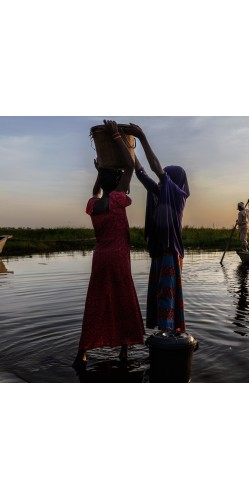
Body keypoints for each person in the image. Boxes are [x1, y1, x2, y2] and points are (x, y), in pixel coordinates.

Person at [73, 120, 145, 370]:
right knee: (123, 300)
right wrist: (116, 136)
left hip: (100, 258)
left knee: (96, 302)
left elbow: (97, 189)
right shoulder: (117, 199)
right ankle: (124, 350)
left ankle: (82, 352)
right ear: (115, 184)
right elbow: (129, 166)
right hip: (117, 258)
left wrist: (99, 170)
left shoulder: (94, 205)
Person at [127, 123, 190, 333]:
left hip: (171, 253)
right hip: (160, 251)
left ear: (174, 181)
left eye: (167, 177)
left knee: (167, 296)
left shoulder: (178, 195)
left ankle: (169, 335)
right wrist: (129, 148)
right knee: (160, 294)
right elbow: (142, 173)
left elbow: (155, 169)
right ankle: (164, 334)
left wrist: (142, 137)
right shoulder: (160, 191)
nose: (163, 179)